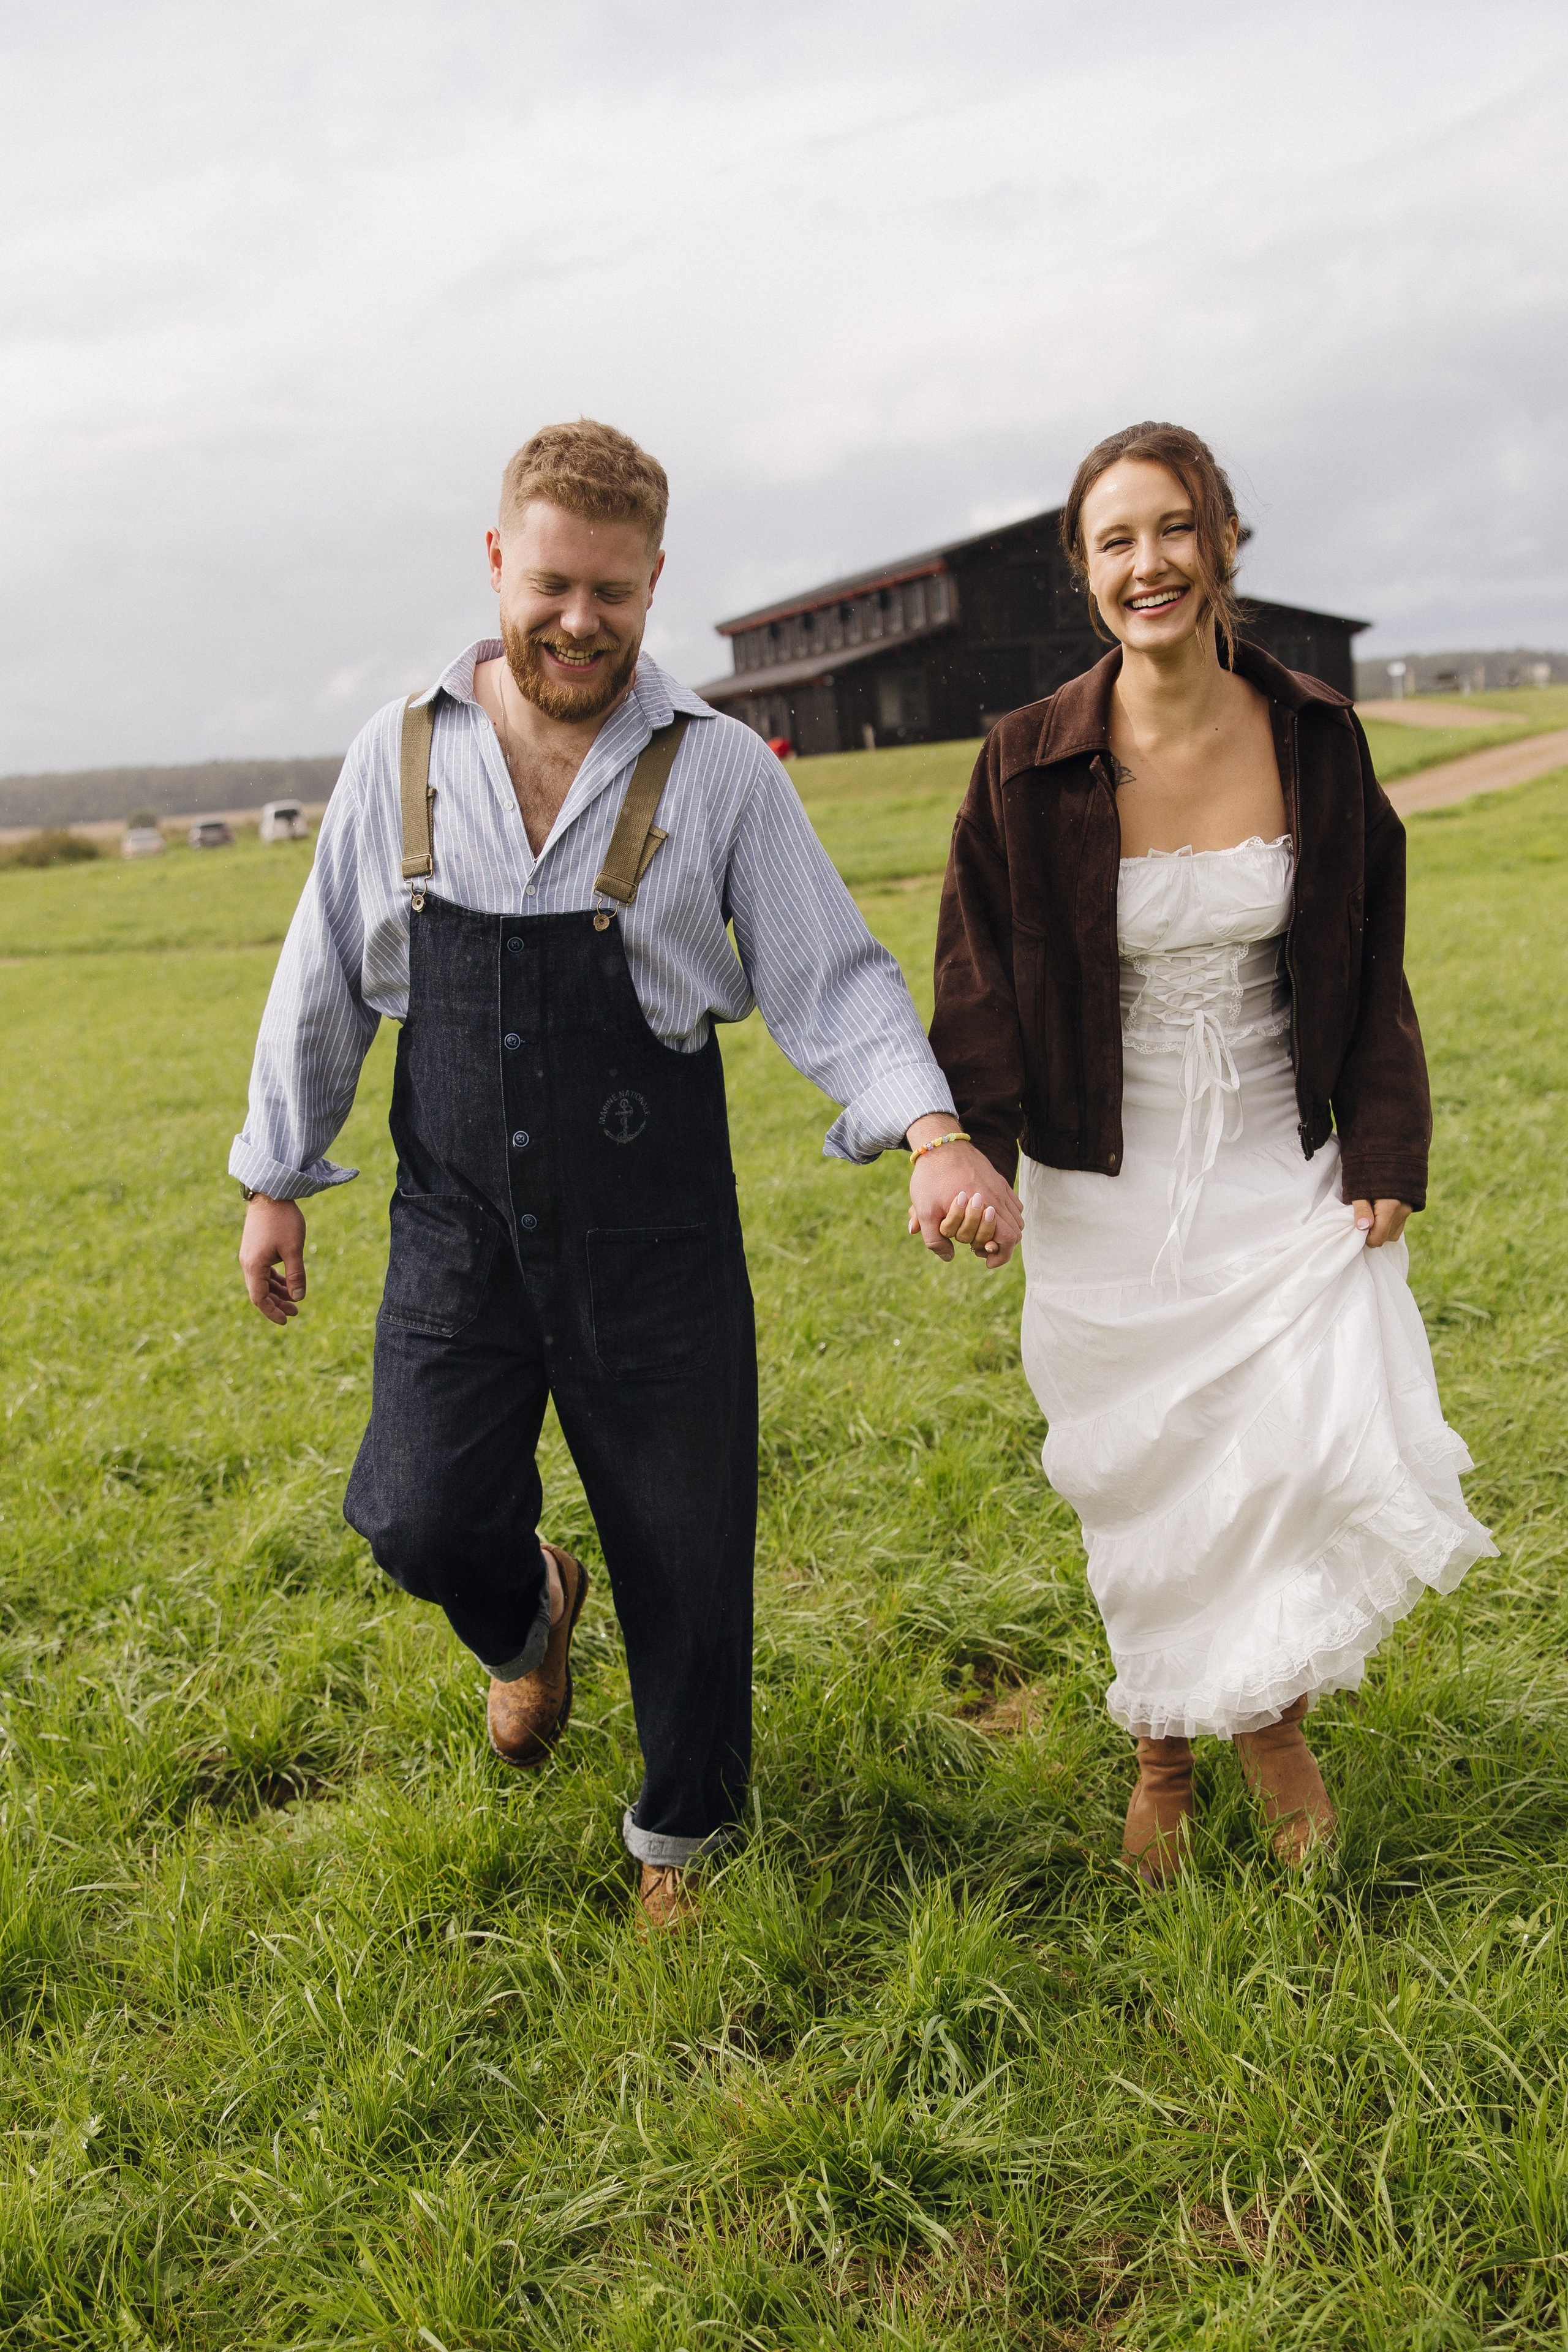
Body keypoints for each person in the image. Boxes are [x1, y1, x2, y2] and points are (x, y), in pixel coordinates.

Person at [232, 420, 1018, 1930]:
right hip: (456, 1224)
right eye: (550, 585)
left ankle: (679, 1845)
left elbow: (830, 979)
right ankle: (528, 1617)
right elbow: (319, 974)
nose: (577, 620)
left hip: (651, 1226)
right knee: (408, 1510)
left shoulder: (717, 772)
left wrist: (927, 1133)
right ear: (495, 565)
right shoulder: (396, 755)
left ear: (654, 581)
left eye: (612, 591)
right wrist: (275, 1173)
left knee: (682, 1545)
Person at [922, 420, 1494, 1880]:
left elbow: (1368, 958)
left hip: (1270, 1150)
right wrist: (970, 1151)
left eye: (1171, 529)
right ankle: (1163, 1751)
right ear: (1084, 571)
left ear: (1221, 541)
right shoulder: (1022, 762)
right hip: (1099, 1174)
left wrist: (1382, 1140)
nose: (1147, 563)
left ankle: (1262, 1724)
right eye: (1115, 540)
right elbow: (978, 980)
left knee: (1283, 1451)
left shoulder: (1309, 730)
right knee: (1143, 1472)